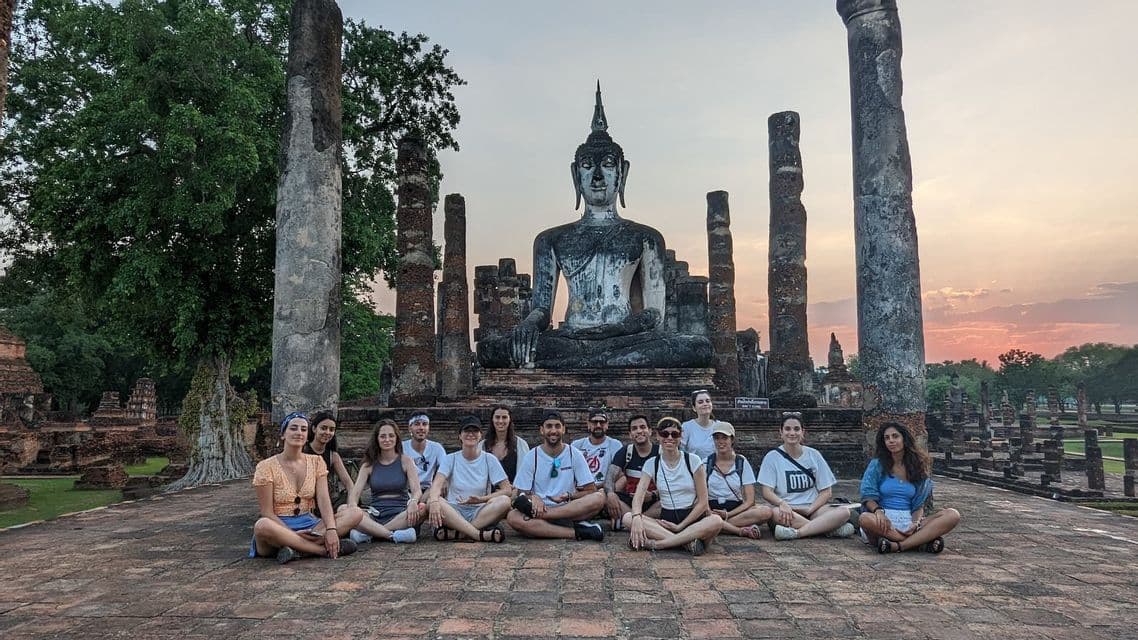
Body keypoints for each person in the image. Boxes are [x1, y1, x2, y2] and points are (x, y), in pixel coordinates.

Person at [475, 85, 710, 369]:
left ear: (622, 173)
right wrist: (527, 325)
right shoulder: (551, 239)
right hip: (572, 338)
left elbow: (653, 316)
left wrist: (614, 330)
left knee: (697, 347)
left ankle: (586, 362)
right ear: (576, 175)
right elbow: (541, 309)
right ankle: (599, 361)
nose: (598, 176)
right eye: (588, 166)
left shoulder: (646, 238)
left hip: (624, 337)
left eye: (608, 165)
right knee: (491, 350)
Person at [250, 412, 364, 563]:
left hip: (311, 526)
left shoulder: (316, 462)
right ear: (283, 434)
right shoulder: (266, 466)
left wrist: (330, 529)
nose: (299, 433)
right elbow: (267, 512)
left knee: (355, 513)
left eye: (303, 430)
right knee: (262, 525)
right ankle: (321, 550)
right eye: (294, 428)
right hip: (278, 528)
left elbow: (324, 500)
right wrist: (290, 533)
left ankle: (296, 550)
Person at [858, 422, 962, 553]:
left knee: (952, 514)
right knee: (864, 519)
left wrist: (915, 522)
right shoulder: (877, 465)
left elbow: (918, 505)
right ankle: (918, 542)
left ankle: (899, 545)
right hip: (883, 521)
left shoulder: (917, 465)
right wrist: (879, 512)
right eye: (887, 438)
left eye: (895, 436)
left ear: (904, 439)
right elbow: (868, 495)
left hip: (909, 520)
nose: (891, 441)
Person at [624, 417, 723, 555]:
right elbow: (639, 496)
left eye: (674, 434)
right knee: (628, 518)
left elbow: (703, 502)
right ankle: (687, 542)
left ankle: (659, 544)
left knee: (716, 521)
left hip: (691, 519)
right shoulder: (652, 463)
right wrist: (636, 517)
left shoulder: (693, 460)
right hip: (666, 520)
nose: (669, 438)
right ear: (658, 436)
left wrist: (680, 527)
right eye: (665, 434)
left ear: (680, 436)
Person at [506, 410, 607, 541]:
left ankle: (546, 520)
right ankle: (576, 532)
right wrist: (534, 497)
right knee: (512, 517)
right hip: (539, 508)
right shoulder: (533, 455)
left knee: (599, 497)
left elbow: (590, 490)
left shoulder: (573, 453)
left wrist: (570, 496)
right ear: (542, 430)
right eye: (549, 426)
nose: (553, 431)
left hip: (567, 509)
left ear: (563, 429)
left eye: (557, 426)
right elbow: (520, 492)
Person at [757, 412, 856, 541]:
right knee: (774, 513)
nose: (792, 433)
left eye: (796, 429)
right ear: (780, 432)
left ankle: (798, 533)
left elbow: (826, 491)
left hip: (813, 509)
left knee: (844, 512)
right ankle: (826, 529)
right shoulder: (772, 457)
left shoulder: (813, 455)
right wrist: (782, 503)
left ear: (803, 432)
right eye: (787, 429)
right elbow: (766, 492)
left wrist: (810, 509)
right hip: (788, 510)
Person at [427, 416, 513, 543]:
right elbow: (437, 484)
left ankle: (460, 533)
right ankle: (478, 534)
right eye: (467, 431)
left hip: (480, 511)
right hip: (454, 510)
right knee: (431, 501)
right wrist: (434, 502)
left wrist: (481, 499)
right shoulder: (451, 458)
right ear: (460, 436)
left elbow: (507, 490)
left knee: (505, 501)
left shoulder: (489, 459)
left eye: (475, 431)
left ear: (480, 436)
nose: (471, 434)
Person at [346, 419, 422, 544]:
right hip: (375, 514)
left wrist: (413, 501)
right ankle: (391, 535)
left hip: (401, 513)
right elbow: (355, 494)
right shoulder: (368, 465)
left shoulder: (406, 461)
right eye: (383, 436)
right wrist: (353, 507)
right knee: (343, 509)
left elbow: (417, 490)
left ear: (397, 438)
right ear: (377, 439)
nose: (387, 440)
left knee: (422, 509)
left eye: (391, 436)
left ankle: (371, 533)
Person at [705, 422, 771, 539]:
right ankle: (738, 530)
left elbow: (750, 500)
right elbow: (700, 496)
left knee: (765, 512)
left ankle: (718, 527)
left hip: (735, 510)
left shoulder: (741, 462)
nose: (720, 442)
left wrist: (728, 514)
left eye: (724, 438)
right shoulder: (706, 462)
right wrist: (709, 511)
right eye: (717, 438)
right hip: (712, 509)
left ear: (732, 439)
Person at [604, 414, 662, 528]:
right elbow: (610, 477)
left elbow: (673, 483)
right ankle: (644, 522)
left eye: (643, 427)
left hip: (653, 500)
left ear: (650, 431)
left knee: (667, 501)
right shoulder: (626, 452)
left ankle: (630, 522)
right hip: (630, 500)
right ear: (630, 435)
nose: (639, 431)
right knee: (604, 495)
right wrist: (610, 494)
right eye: (634, 429)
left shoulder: (660, 452)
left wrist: (654, 495)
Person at [304, 411, 354, 513]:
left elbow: (349, 484)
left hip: (331, 503)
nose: (327, 432)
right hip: (308, 504)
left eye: (331, 430)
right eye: (323, 428)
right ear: (314, 429)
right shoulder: (303, 452)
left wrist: (352, 504)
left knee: (350, 512)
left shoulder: (333, 456)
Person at [571, 408, 625, 488]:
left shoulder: (615, 445)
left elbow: (618, 474)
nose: (598, 425)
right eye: (595, 422)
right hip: (581, 490)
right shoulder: (576, 445)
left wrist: (597, 487)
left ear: (607, 425)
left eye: (602, 422)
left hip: (603, 489)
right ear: (588, 424)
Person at [476, 405, 530, 483]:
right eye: (497, 417)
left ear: (510, 420)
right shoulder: (482, 446)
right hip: (489, 494)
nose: (500, 421)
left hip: (515, 493)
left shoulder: (521, 445)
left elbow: (526, 473)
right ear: (492, 420)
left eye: (504, 417)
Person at [403, 413, 447, 500]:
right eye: (417, 424)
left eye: (425, 424)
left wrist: (445, 480)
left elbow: (446, 468)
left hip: (428, 491)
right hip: (407, 491)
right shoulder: (402, 447)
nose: (421, 428)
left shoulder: (436, 448)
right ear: (410, 428)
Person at [681, 389, 722, 459]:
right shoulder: (686, 427)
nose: (705, 404)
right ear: (694, 408)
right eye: (700, 402)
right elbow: (680, 451)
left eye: (707, 401)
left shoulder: (719, 426)